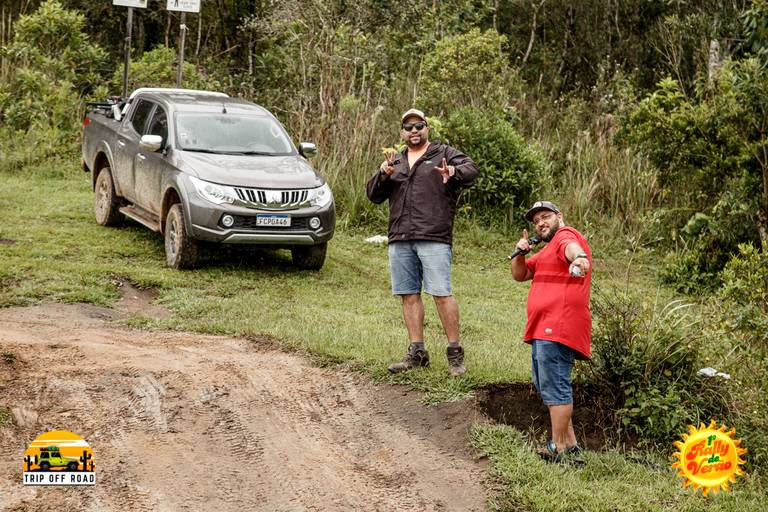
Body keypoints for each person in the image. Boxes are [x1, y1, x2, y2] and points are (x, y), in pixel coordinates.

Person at [366, 108, 478, 376]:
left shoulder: (443, 153)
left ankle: (455, 355)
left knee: (441, 293)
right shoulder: (396, 160)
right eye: (408, 127)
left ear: (427, 128)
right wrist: (383, 174)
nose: (414, 131)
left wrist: (453, 171)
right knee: (409, 294)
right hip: (400, 236)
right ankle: (417, 353)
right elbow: (373, 195)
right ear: (402, 132)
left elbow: (472, 170)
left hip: (434, 235)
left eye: (419, 126)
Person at [510, 200, 592, 462]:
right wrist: (520, 252)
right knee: (547, 385)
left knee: (555, 387)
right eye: (536, 221)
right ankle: (570, 444)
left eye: (545, 217)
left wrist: (579, 259)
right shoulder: (546, 252)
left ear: (560, 216)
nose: (540, 223)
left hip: (557, 326)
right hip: (543, 329)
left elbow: (574, 249)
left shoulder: (564, 238)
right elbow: (519, 275)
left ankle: (558, 447)